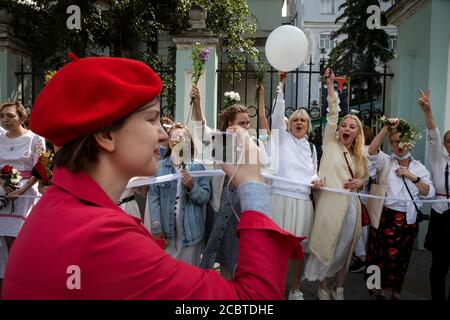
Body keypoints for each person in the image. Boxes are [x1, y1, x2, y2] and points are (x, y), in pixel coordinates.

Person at [2, 54, 302, 299]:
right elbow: (252, 302)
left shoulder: (58, 208)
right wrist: (252, 186)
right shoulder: (104, 238)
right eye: (152, 118)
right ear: (107, 135)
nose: (162, 133)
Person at [304, 68, 369, 300]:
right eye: (344, 125)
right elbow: (333, 112)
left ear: (357, 133)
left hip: (350, 208)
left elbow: (365, 179)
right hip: (329, 204)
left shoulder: (360, 156)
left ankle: (339, 288)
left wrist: (361, 181)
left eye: (352, 127)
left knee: (345, 249)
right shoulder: (331, 142)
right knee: (326, 245)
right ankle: (323, 287)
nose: (346, 129)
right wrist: (330, 85)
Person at [366, 115, 435, 300]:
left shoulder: (419, 168)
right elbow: (371, 152)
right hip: (383, 215)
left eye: (402, 141)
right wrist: (385, 128)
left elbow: (429, 193)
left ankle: (395, 292)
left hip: (407, 220)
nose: (399, 145)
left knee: (400, 259)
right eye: (394, 142)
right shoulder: (386, 161)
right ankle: (376, 291)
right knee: (377, 256)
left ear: (410, 142)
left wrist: (411, 176)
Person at [190, 85, 250, 279]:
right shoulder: (219, 142)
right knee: (218, 256)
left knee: (234, 260)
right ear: (230, 125)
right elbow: (201, 129)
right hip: (217, 207)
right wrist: (197, 103)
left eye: (248, 123)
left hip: (239, 213)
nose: (247, 127)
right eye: (242, 123)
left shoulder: (253, 145)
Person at [270, 72, 320, 300]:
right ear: (289, 125)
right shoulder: (281, 138)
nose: (299, 122)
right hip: (279, 198)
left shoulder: (312, 149)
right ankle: (274, 287)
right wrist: (281, 86)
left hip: (302, 202)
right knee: (275, 249)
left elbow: (313, 172)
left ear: (308, 126)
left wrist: (317, 179)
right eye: (295, 120)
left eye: (304, 120)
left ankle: (296, 289)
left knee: (298, 250)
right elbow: (277, 114)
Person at [149, 123, 211, 266]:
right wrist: (156, 227)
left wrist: (192, 186)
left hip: (191, 234)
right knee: (168, 273)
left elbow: (205, 197)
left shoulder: (197, 167)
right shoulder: (159, 167)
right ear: (170, 142)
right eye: (173, 138)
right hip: (167, 233)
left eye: (181, 138)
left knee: (189, 275)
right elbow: (154, 198)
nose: (177, 141)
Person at [0, 101, 45, 292]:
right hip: (4, 194)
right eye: (2, 116)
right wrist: (4, 185)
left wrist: (22, 189)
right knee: (5, 240)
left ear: (21, 117)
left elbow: (40, 168)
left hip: (25, 196)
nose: (5, 120)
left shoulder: (36, 139)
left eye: (10, 116)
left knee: (21, 239)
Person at [417, 88, 450, 301]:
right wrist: (428, 111)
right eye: (449, 142)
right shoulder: (438, 160)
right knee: (439, 265)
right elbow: (434, 136)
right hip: (441, 215)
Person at [349, 126, 376, 273]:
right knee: (363, 224)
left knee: (359, 224)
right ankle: (361, 254)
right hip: (366, 193)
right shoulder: (372, 151)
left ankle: (361, 257)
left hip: (359, 192)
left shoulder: (362, 151)